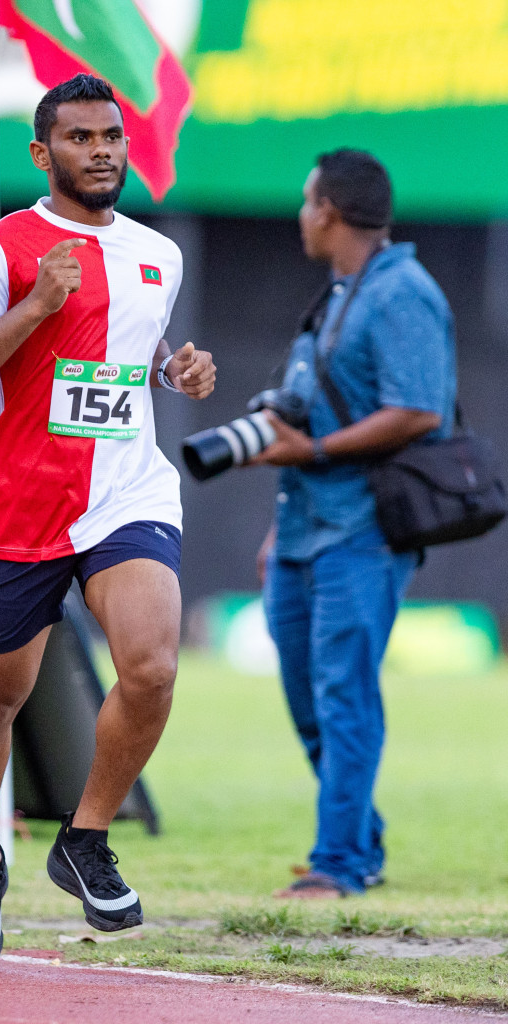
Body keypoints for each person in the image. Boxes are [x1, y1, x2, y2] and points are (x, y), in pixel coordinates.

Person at [0, 74, 216, 972]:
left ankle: (84, 838)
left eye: (113, 137)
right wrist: (36, 306)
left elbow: (136, 346)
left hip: (126, 494)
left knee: (153, 667)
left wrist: (177, 372)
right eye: (82, 138)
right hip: (21, 502)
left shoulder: (157, 254)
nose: (103, 151)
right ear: (43, 154)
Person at [248, 150, 455, 899]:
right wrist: (278, 529)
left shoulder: (403, 292)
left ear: (328, 209)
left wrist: (316, 448)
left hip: (363, 532)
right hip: (303, 529)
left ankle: (339, 861)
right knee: (309, 695)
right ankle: (358, 838)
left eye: (307, 202)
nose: (302, 215)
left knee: (343, 694)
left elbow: (420, 410)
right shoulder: (340, 294)